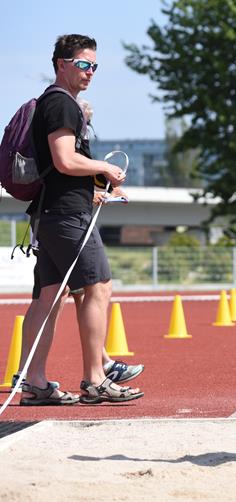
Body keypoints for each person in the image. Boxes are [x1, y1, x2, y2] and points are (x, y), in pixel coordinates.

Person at [16, 34, 142, 405]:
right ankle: (96, 378)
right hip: (68, 215)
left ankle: (34, 382)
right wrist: (104, 167)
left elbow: (62, 166)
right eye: (84, 64)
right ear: (62, 64)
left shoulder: (52, 102)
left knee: (49, 297)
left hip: (52, 213)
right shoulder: (62, 104)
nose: (90, 72)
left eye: (94, 66)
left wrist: (96, 185)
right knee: (99, 287)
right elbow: (65, 160)